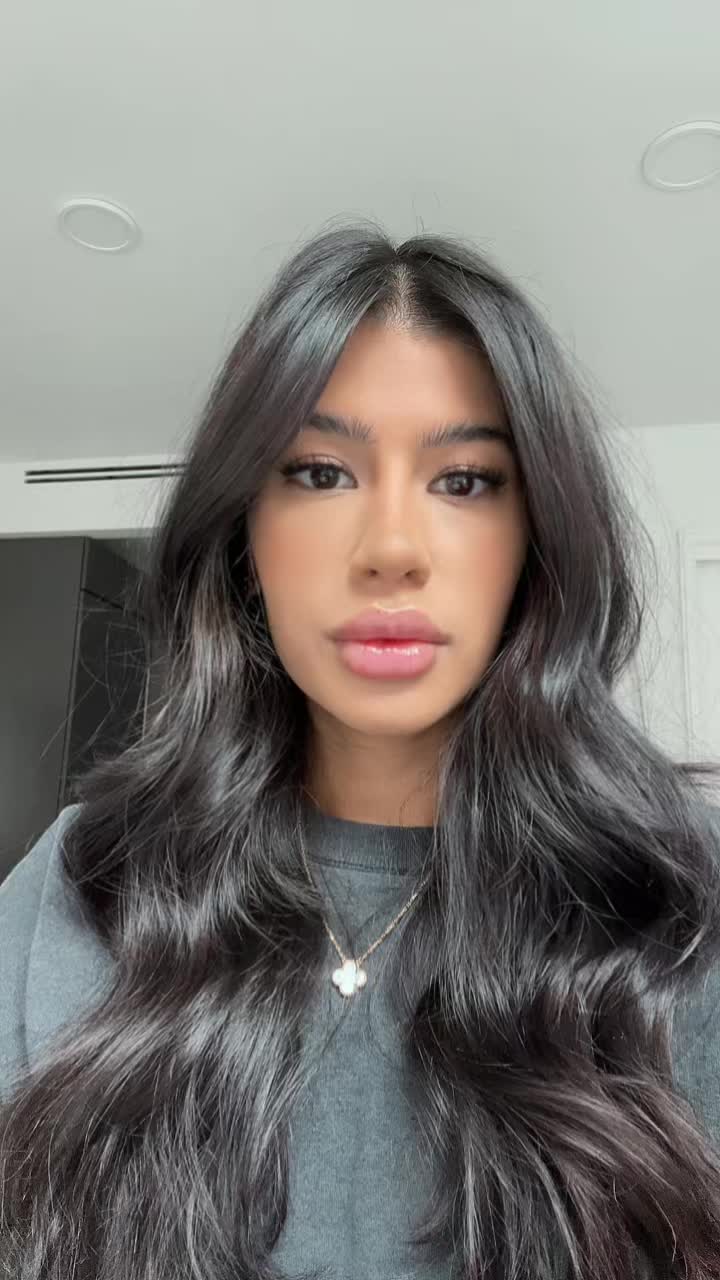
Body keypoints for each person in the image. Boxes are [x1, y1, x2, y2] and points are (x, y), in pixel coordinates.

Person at [2, 220, 720, 1280]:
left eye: (465, 480)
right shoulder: (87, 882)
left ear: (538, 537)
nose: (390, 548)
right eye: (319, 472)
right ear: (243, 531)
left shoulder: (676, 899)